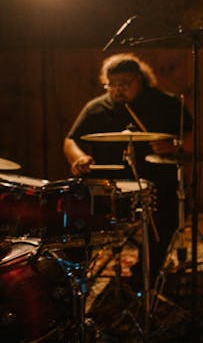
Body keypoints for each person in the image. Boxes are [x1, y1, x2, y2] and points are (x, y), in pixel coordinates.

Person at [64, 53, 193, 289]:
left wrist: (175, 145)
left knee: (167, 214)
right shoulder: (96, 108)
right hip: (108, 183)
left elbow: (192, 137)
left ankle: (146, 273)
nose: (118, 90)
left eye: (125, 84)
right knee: (76, 213)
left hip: (158, 182)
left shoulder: (167, 103)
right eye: (112, 84)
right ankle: (74, 277)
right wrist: (80, 158)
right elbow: (71, 140)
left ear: (140, 79)